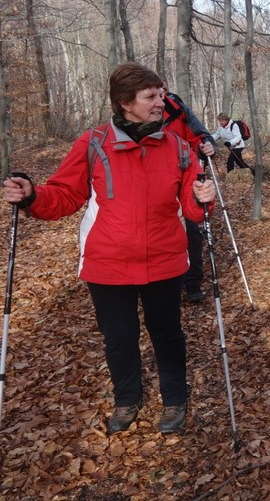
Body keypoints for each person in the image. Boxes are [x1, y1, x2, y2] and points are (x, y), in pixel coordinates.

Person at [2, 61, 216, 435]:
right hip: (109, 264)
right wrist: (32, 194)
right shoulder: (94, 143)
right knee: (119, 337)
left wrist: (202, 198)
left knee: (167, 334)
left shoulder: (178, 147)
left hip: (164, 261)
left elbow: (191, 208)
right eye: (151, 96)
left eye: (162, 95)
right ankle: (127, 399)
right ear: (124, 103)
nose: (161, 103)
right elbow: (64, 195)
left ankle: (175, 399)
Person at [161, 83, 216, 303]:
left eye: (162, 91)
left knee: (191, 229)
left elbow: (200, 134)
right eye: (154, 92)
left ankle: (192, 282)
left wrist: (208, 144)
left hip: (184, 174)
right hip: (157, 180)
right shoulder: (137, 113)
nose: (160, 96)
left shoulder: (178, 108)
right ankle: (164, 281)